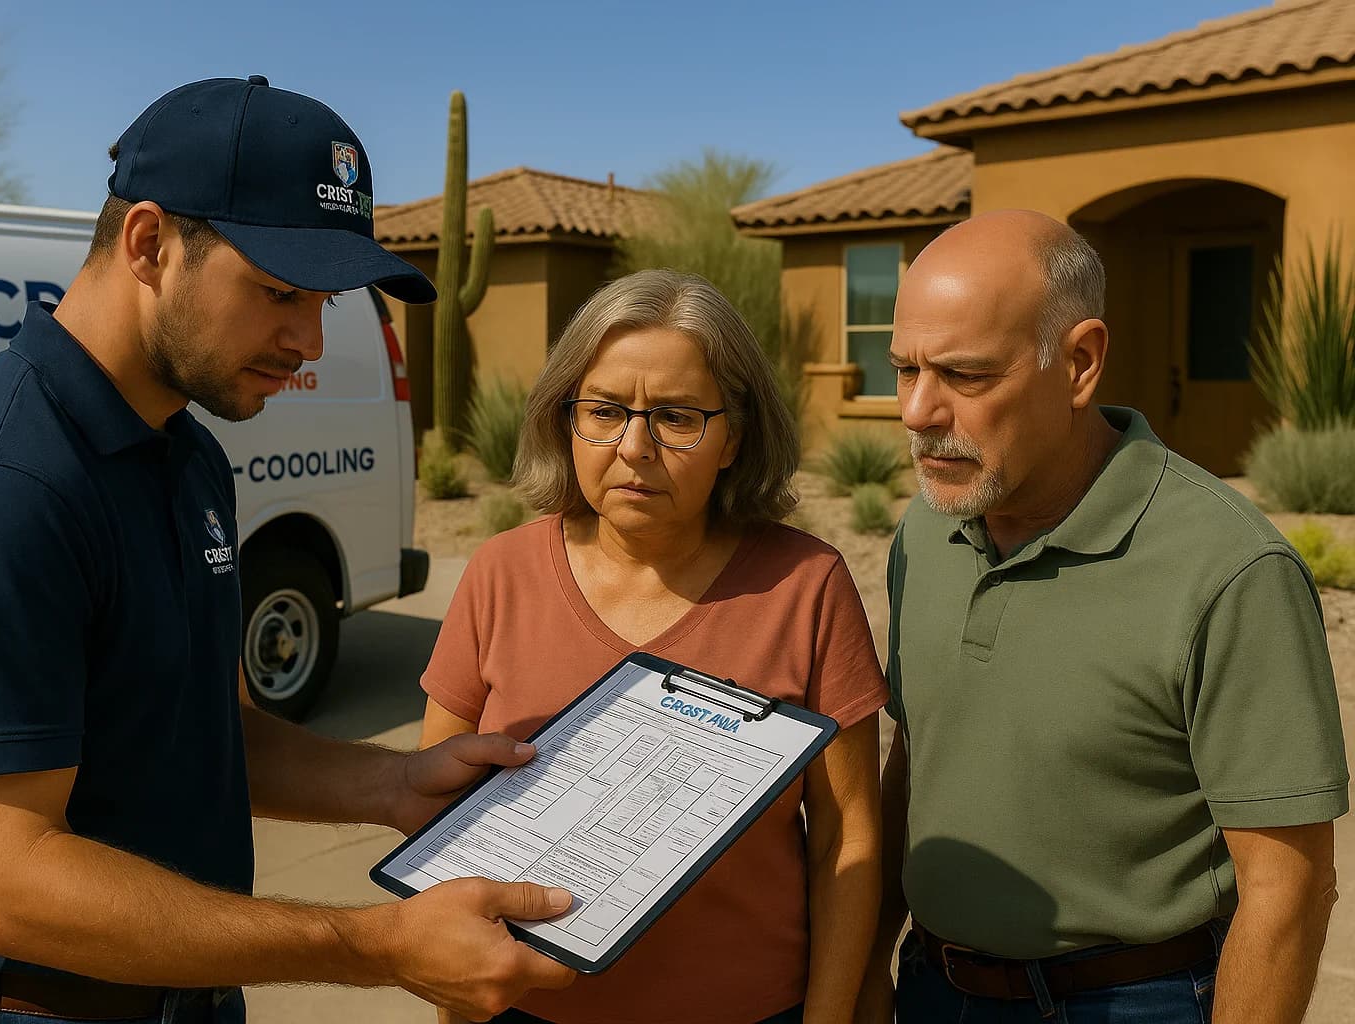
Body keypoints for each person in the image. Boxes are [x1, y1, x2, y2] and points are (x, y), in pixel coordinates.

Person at [0, 76, 576, 1024]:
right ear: (150, 243)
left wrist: (397, 785)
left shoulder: (185, 449)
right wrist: (373, 947)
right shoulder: (6, 493)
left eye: (325, 300)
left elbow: (213, 733)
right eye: (280, 291)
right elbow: (4, 884)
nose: (307, 338)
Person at [856, 210, 1348, 1024]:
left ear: (1079, 362)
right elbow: (921, 750)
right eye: (905, 370)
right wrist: (867, 966)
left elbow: (1287, 892)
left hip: (1136, 1003)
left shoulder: (1230, 570)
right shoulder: (926, 529)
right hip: (935, 991)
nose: (916, 411)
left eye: (966, 376)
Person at [418, 268, 889, 1024]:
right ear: (564, 419)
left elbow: (848, 836)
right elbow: (436, 821)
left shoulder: (806, 587)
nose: (634, 447)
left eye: (675, 417)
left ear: (733, 435)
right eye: (604, 411)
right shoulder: (500, 573)